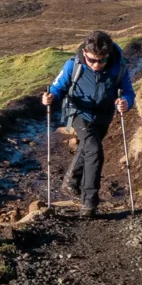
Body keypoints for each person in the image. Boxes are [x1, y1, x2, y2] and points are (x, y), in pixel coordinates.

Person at [41, 31, 135, 218]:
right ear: (85, 52)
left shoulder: (119, 66)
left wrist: (125, 102)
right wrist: (49, 96)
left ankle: (70, 182)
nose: (96, 65)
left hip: (104, 115)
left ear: (108, 55)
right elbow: (57, 87)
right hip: (78, 112)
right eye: (92, 60)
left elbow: (128, 93)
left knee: (87, 147)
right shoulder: (73, 65)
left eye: (101, 61)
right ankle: (89, 202)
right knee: (94, 149)